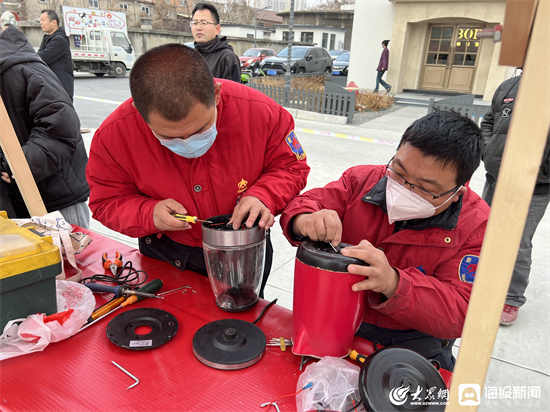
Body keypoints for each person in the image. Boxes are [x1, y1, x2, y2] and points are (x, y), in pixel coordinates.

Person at [86, 44, 309, 295]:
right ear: (140, 113)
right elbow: (106, 201)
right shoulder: (113, 136)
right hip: (166, 252)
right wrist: (149, 214)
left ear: (215, 94)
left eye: (200, 130)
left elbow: (291, 166)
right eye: (169, 137)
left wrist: (263, 195)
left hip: (245, 246)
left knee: (245, 323)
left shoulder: (263, 114)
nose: (188, 144)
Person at [280, 111, 489, 371]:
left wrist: (394, 283)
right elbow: (306, 204)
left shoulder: (478, 226)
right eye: (399, 172)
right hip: (340, 317)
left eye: (425, 187)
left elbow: (461, 311)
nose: (404, 189)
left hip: (414, 340)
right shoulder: (361, 181)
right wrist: (304, 219)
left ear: (458, 192)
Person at [0, 18, 90, 227]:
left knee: (71, 258)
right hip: (14, 203)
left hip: (54, 198)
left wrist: (18, 165)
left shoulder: (18, 68)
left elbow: (61, 126)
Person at [481, 73, 550, 326]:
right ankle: (483, 283)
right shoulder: (508, 86)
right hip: (497, 177)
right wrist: (488, 149)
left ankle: (511, 296)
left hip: (535, 186)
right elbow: (489, 121)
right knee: (483, 232)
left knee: (518, 242)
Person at [191, 3, 241, 82]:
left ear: (217, 29)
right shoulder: (190, 56)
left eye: (204, 23)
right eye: (195, 23)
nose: (198, 28)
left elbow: (232, 93)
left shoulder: (227, 57)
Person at [38, 10, 74, 100]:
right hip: (53, 87)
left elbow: (42, 57)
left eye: (43, 20)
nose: (40, 23)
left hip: (61, 89)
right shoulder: (48, 38)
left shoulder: (59, 40)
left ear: (54, 22)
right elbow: (39, 55)